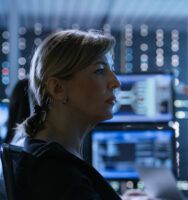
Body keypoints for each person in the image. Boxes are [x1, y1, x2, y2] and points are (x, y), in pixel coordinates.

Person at [12, 30, 151, 200]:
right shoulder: (55, 170)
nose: (116, 82)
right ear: (58, 89)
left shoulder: (49, 158)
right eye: (99, 70)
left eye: (111, 70)